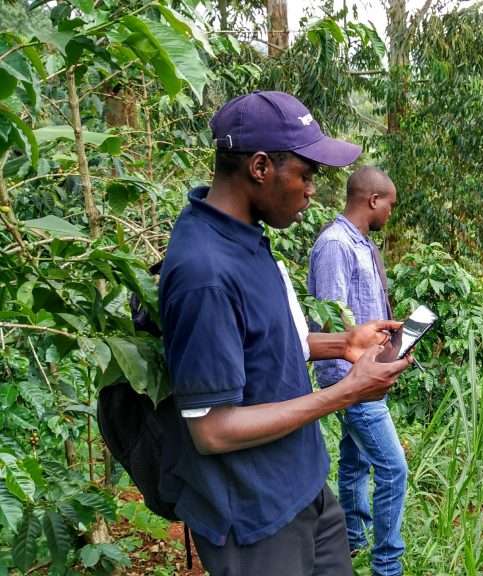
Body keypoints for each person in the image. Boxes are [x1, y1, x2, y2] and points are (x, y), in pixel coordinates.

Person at [158, 91, 412, 576]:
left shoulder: (247, 239)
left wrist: (342, 343)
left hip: (305, 488)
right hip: (256, 520)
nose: (312, 190)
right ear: (259, 167)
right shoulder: (203, 272)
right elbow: (212, 429)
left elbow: (260, 346)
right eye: (307, 175)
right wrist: (344, 393)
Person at [307, 166, 406, 576]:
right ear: (372, 200)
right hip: (351, 379)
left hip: (367, 370)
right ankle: (387, 565)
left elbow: (365, 310)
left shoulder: (362, 244)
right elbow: (330, 318)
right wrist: (356, 372)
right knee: (393, 468)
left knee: (354, 462)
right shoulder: (334, 245)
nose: (390, 214)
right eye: (390, 205)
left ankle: (352, 539)